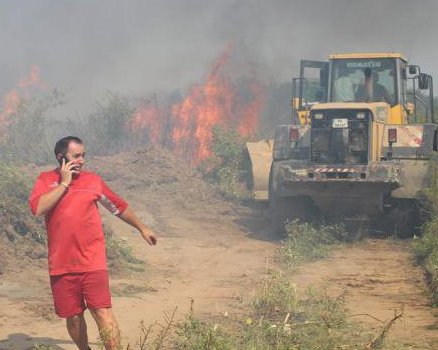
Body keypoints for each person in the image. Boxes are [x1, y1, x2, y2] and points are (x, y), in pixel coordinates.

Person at [29, 136, 157, 350]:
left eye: (83, 156)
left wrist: (142, 228)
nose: (82, 161)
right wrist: (64, 183)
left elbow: (119, 207)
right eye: (76, 156)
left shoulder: (93, 181)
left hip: (92, 261)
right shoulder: (44, 180)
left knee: (102, 311)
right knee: (74, 317)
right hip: (61, 264)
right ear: (61, 158)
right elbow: (38, 209)